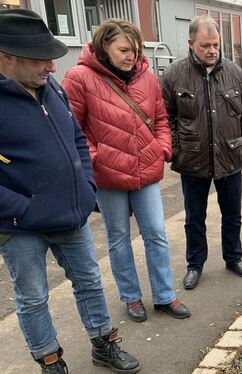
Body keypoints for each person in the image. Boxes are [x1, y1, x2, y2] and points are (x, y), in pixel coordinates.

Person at [0, 9, 140, 373]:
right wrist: (25, 208)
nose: (50, 65)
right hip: (19, 225)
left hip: (71, 214)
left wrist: (86, 183)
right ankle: (50, 361)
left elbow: (77, 137)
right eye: (39, 58)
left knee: (90, 282)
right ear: (6, 57)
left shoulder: (53, 89)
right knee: (32, 297)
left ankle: (103, 345)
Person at [61, 19, 190, 322]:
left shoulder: (147, 78)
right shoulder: (79, 78)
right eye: (122, 49)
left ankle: (164, 295)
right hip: (108, 177)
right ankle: (131, 297)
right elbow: (72, 129)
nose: (130, 55)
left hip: (145, 169)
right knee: (118, 238)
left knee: (156, 233)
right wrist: (96, 158)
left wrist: (162, 149)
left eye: (134, 50)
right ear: (104, 46)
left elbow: (161, 120)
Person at [161, 16, 242, 290]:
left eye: (215, 44)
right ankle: (195, 265)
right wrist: (178, 151)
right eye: (205, 45)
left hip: (230, 158)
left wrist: (241, 147)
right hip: (193, 160)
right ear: (191, 44)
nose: (212, 50)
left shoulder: (234, 72)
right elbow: (164, 118)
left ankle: (233, 258)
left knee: (232, 214)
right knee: (194, 218)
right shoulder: (174, 75)